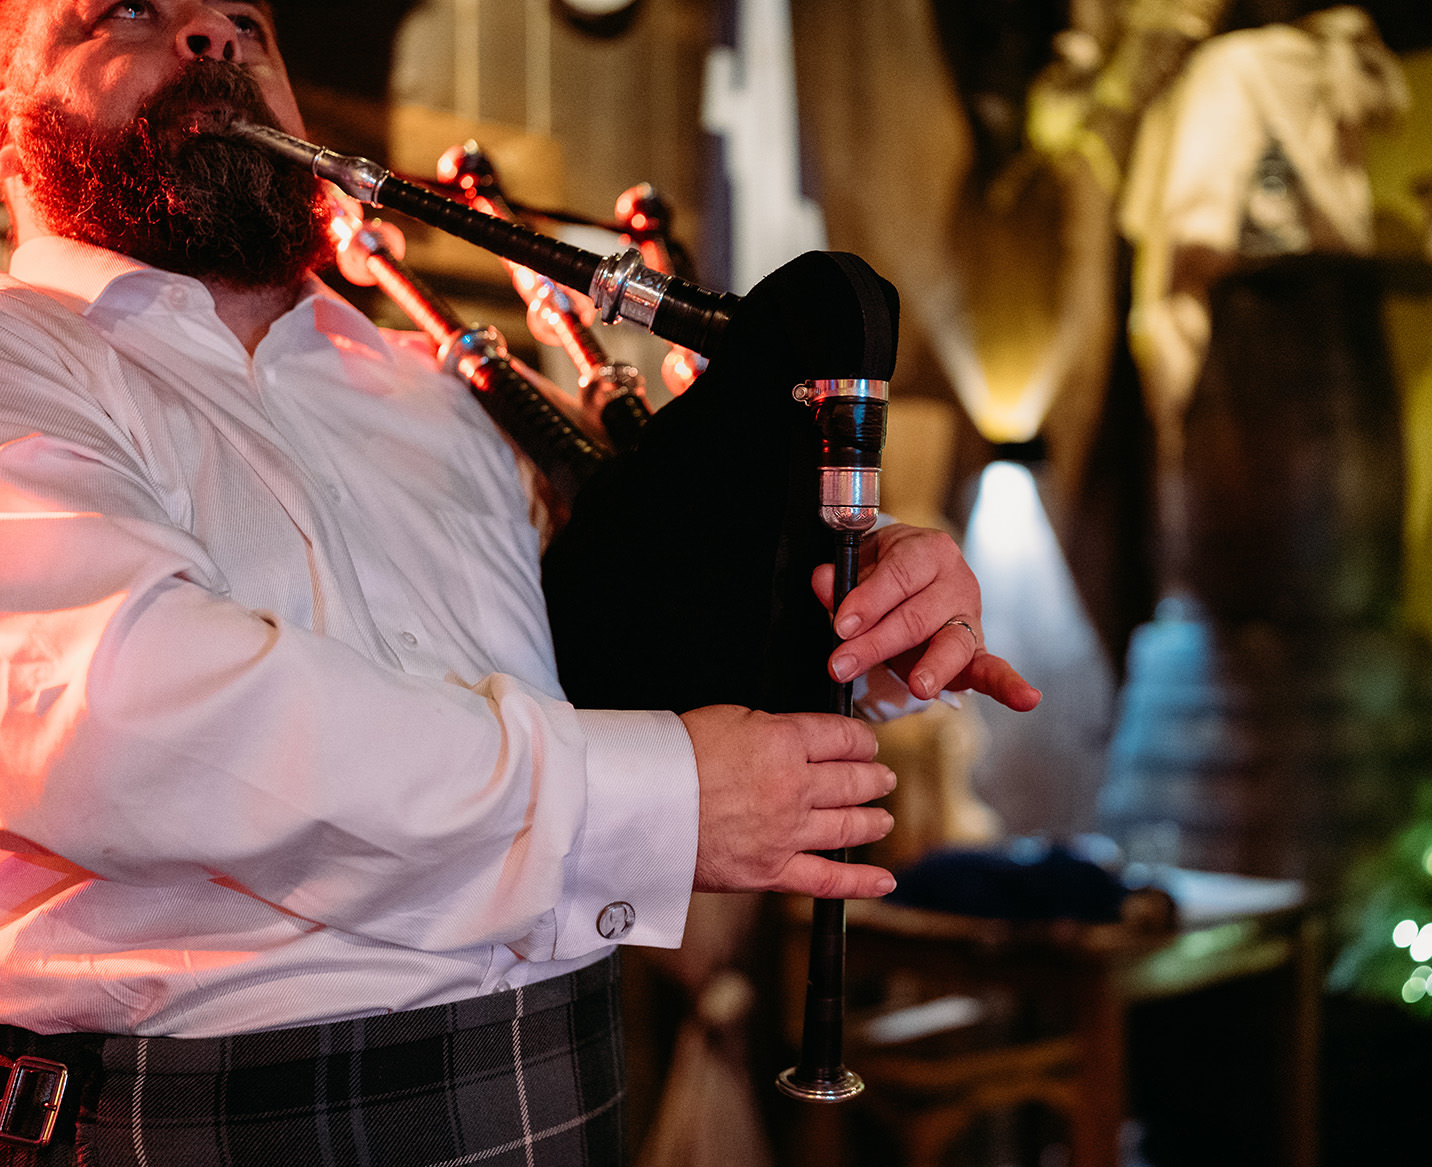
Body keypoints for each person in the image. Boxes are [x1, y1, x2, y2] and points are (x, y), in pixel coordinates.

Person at [0, 2, 1041, 1164]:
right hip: (216, 1113)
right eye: (124, 13)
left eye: (249, 19)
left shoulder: (425, 400)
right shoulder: (23, 367)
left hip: (558, 1078)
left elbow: (606, 640)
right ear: (10, 140)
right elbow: (132, 712)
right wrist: (656, 800)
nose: (212, 34)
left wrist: (850, 597)